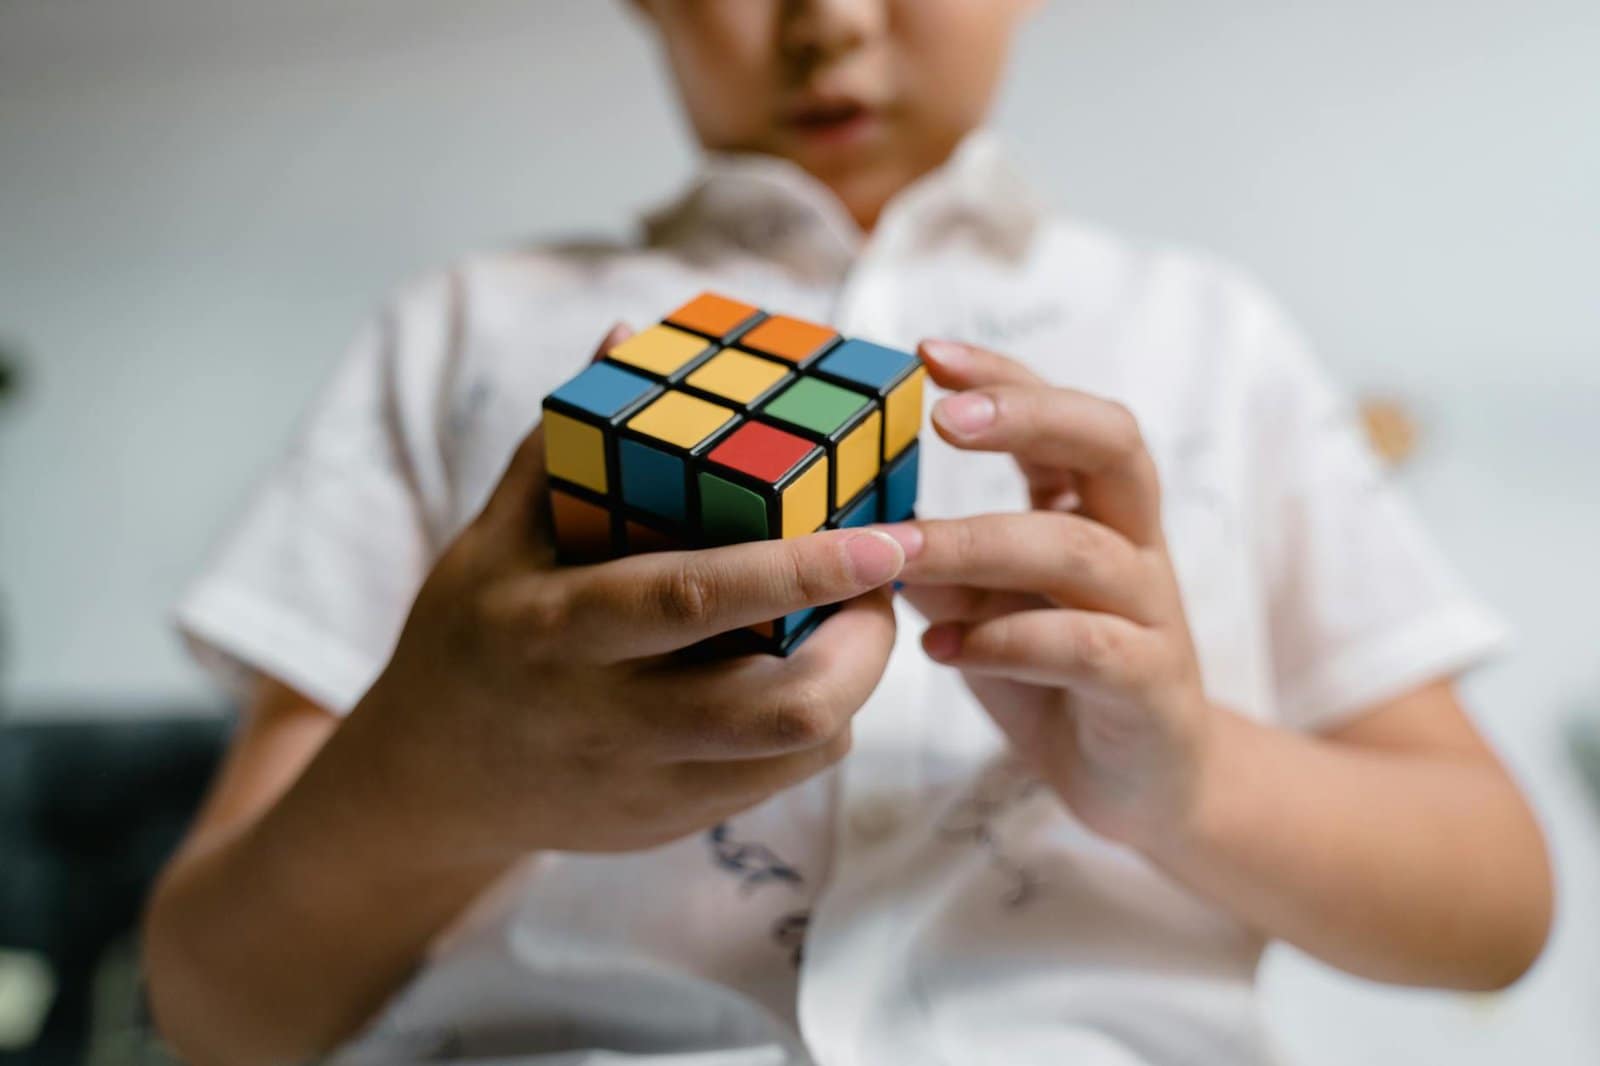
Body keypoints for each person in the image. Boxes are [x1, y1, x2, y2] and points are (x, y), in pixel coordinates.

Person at [142, 2, 1552, 1064]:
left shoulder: (1214, 337)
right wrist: (434, 780)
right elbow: (217, 1006)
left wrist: (1187, 780)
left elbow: (1498, 904)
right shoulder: (455, 330)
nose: (828, 20)